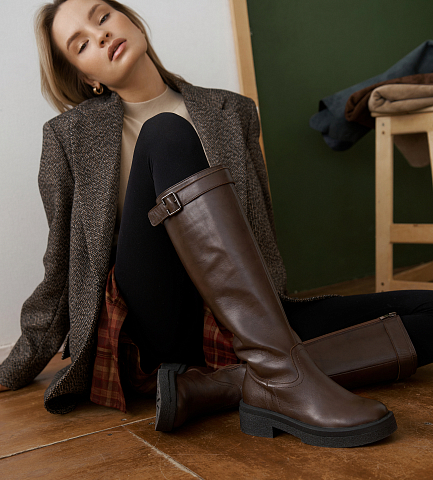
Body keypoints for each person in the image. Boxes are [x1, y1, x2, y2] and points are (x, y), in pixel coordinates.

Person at [1, 0, 432, 448]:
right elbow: (62, 264)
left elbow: (259, 231)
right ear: (86, 77)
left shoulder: (232, 110)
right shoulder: (68, 136)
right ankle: (280, 373)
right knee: (164, 133)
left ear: (132, 21)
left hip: (238, 321)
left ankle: (227, 384)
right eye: (81, 44)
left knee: (429, 312)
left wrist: (280, 314)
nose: (101, 35)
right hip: (154, 323)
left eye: (103, 17)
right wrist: (17, 365)